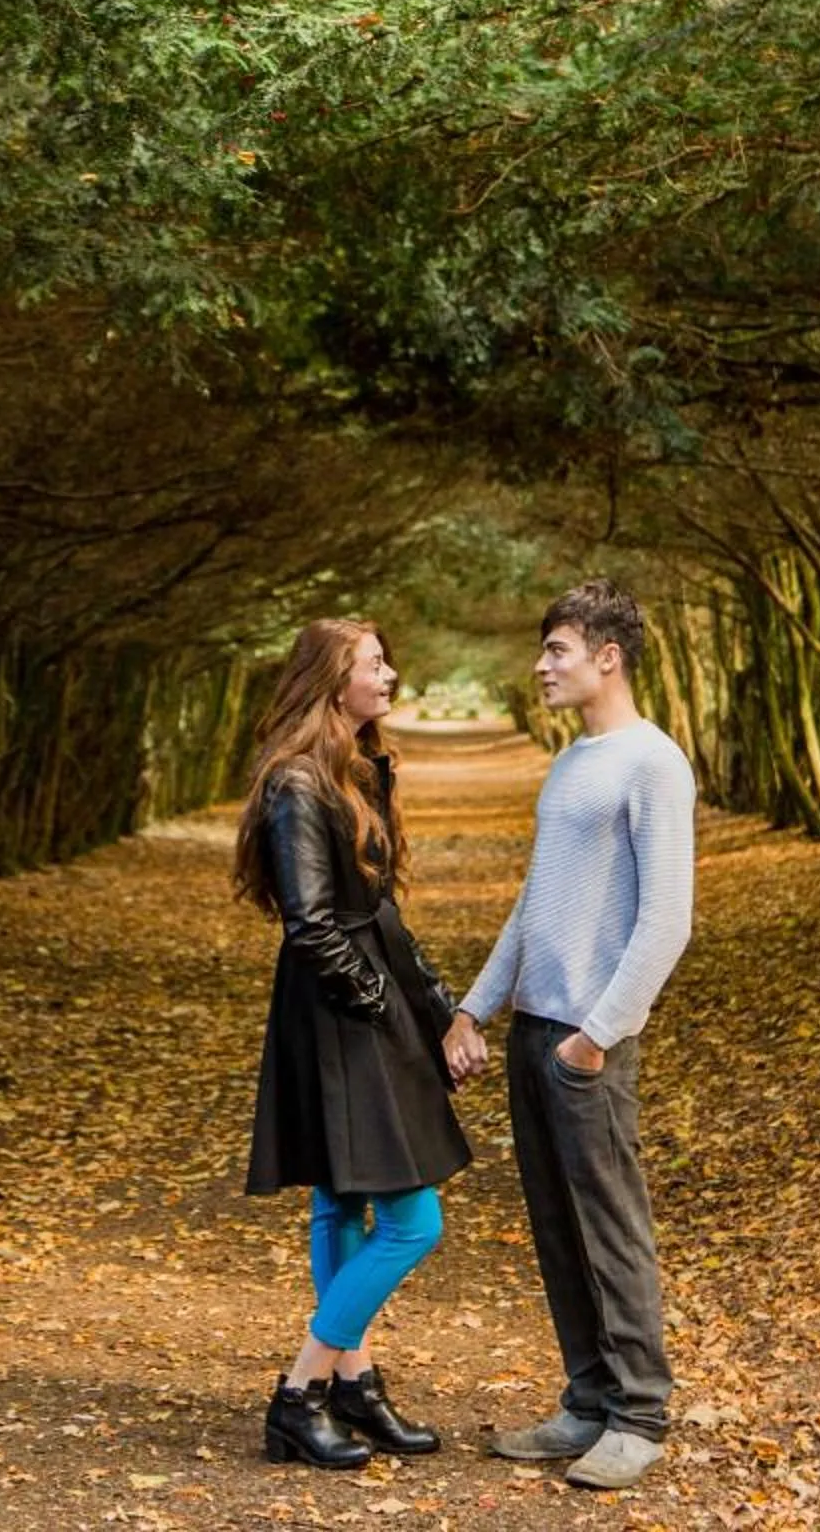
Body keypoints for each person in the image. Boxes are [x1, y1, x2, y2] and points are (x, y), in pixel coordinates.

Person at [444, 578, 695, 1491]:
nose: (541, 666)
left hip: (586, 1039)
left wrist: (597, 1036)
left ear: (607, 657)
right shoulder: (569, 764)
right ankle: (587, 1402)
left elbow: (668, 921)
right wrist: (475, 1006)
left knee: (611, 1226)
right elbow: (534, 907)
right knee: (556, 1227)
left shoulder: (652, 763)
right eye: (544, 650)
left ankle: (639, 1414)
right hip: (536, 1031)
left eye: (556, 650)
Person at [240, 618, 483, 1469]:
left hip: (357, 996)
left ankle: (356, 1383)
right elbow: (312, 924)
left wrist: (439, 1003)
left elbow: (381, 911)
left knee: (344, 1204)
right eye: (372, 663)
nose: (388, 673)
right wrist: (383, 1008)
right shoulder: (298, 784)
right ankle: (302, 1389)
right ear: (330, 680)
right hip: (337, 1009)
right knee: (412, 1219)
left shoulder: (355, 770)